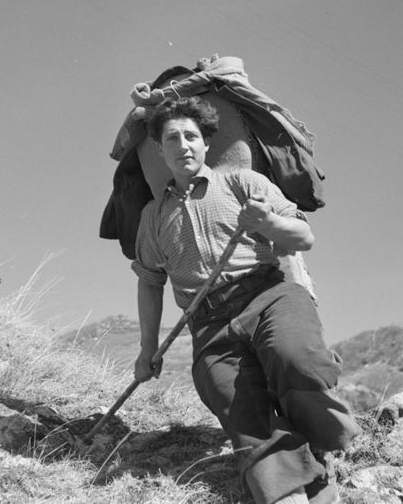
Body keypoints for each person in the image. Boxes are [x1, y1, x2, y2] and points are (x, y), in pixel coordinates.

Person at [132, 96, 360, 504]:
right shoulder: (152, 217)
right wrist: (148, 350)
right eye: (172, 139)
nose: (183, 145)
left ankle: (324, 440)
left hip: (269, 295)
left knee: (296, 360)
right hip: (209, 324)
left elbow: (303, 237)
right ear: (160, 150)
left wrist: (268, 223)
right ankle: (289, 491)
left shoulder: (242, 183)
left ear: (206, 144)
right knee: (234, 402)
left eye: (191, 136)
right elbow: (150, 283)